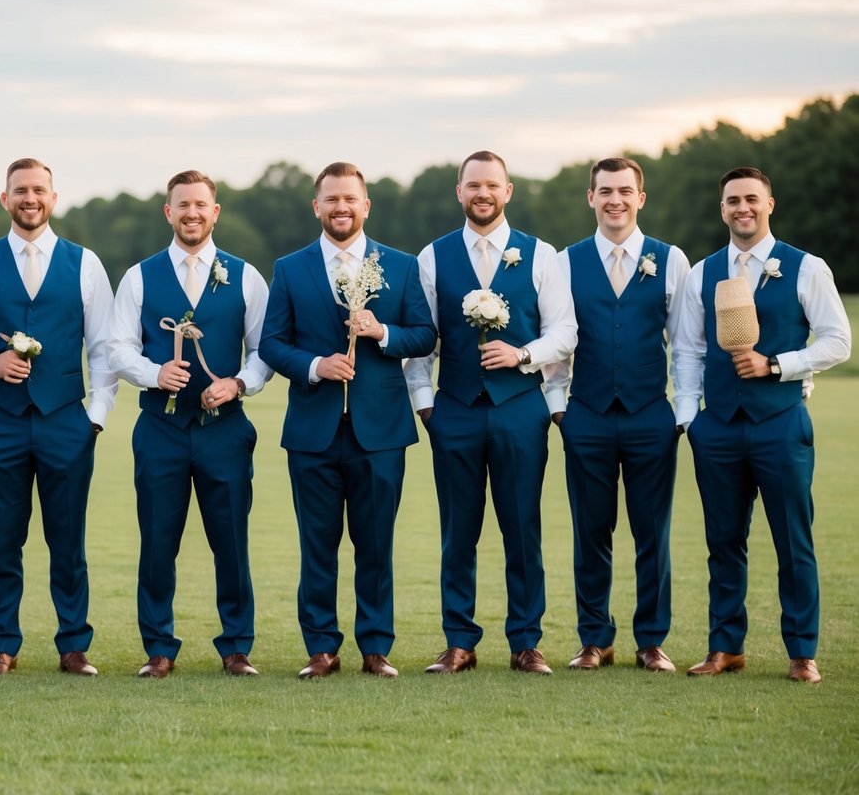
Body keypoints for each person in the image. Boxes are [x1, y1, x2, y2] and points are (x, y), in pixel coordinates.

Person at [672, 166, 851, 684]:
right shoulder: (702, 273)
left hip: (781, 423)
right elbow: (687, 349)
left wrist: (778, 365)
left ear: (769, 203)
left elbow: (838, 341)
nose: (741, 208)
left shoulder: (805, 267)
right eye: (732, 200)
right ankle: (725, 646)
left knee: (793, 540)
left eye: (751, 199)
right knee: (723, 541)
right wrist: (691, 420)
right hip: (719, 427)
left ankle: (802, 651)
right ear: (722, 208)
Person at [260, 161, 436, 679]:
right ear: (316, 207)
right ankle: (321, 648)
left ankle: (376, 648)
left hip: (380, 430)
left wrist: (382, 332)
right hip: (313, 431)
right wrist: (315, 366)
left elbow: (424, 335)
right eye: (331, 199)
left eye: (350, 199)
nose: (341, 207)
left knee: (376, 544)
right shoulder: (290, 268)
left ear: (366, 206)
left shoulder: (400, 266)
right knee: (317, 545)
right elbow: (272, 343)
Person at [406, 150, 577, 675]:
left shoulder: (541, 255)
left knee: (522, 527)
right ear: (459, 193)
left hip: (520, 409)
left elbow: (565, 333)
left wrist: (523, 355)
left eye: (492, 185)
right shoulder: (432, 257)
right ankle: (460, 641)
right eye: (472, 185)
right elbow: (422, 341)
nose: (482, 193)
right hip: (453, 411)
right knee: (458, 530)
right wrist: (426, 405)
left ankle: (526, 642)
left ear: (508, 192)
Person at [0, 158, 117, 677]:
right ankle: (1, 646)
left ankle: (73, 646)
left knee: (68, 539)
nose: (30, 199)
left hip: (67, 420)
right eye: (20, 190)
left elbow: (104, 349)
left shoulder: (85, 264)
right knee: (3, 538)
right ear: (5, 199)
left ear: (53, 197)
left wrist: (95, 418)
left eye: (38, 190)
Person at [107, 170, 273, 678]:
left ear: (214, 211)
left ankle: (236, 647)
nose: (192, 213)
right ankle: (159, 647)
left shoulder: (245, 276)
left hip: (225, 429)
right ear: (169, 212)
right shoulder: (138, 276)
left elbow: (265, 351)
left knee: (231, 540)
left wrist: (240, 384)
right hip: (160, 430)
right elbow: (117, 349)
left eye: (201, 205)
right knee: (158, 540)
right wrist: (154, 373)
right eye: (182, 205)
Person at [543, 158, 688, 673]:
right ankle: (594, 638)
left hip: (652, 416)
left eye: (625, 191)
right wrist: (559, 408)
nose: (615, 200)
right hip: (586, 415)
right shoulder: (564, 262)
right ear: (591, 197)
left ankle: (651, 640)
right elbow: (558, 341)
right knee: (591, 531)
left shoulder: (671, 260)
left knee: (653, 533)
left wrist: (681, 412)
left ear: (640, 198)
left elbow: (686, 344)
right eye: (605, 190)